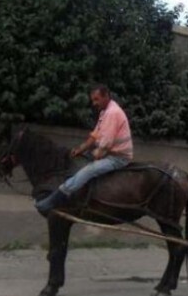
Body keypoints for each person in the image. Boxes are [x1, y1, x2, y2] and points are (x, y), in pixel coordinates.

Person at [35, 84, 133, 214]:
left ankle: (56, 199)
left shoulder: (112, 113)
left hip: (117, 158)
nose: (94, 103)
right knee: (79, 162)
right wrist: (81, 149)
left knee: (88, 170)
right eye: (93, 100)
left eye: (96, 99)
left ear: (106, 96)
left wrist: (94, 156)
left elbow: (105, 144)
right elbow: (95, 135)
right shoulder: (105, 111)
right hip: (108, 153)